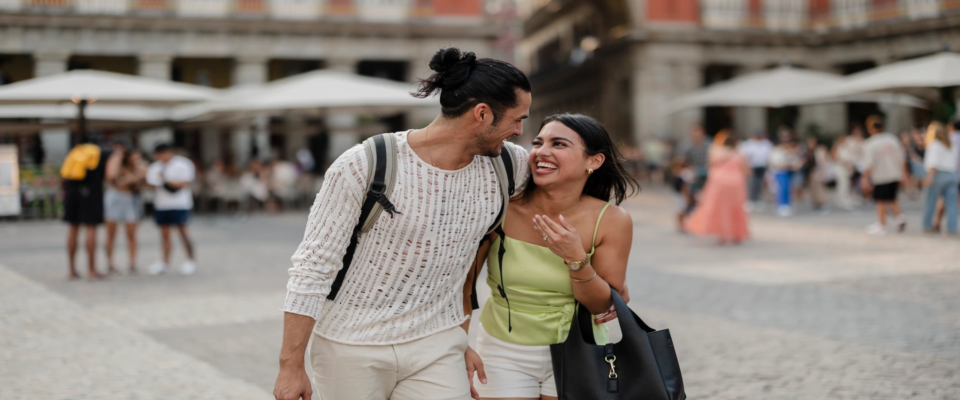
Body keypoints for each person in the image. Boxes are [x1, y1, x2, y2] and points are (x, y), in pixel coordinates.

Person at [274, 47, 532, 400]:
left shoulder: (510, 166)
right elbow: (313, 267)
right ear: (482, 114)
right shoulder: (364, 164)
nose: (519, 131)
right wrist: (290, 365)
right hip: (351, 346)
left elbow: (565, 188)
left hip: (438, 343)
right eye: (517, 119)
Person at [463, 114, 635, 400]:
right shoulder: (502, 208)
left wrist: (575, 257)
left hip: (580, 348)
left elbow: (603, 306)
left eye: (559, 144)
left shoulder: (612, 220)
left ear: (594, 161)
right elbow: (466, 283)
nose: (542, 152)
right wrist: (460, 343)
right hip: (501, 349)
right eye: (538, 142)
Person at [684, 132, 750, 244]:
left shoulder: (716, 152)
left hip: (719, 183)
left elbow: (710, 165)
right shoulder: (739, 154)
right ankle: (737, 234)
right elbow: (747, 170)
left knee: (720, 209)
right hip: (736, 183)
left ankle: (723, 235)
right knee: (735, 208)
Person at [146, 143, 198, 275]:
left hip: (180, 204)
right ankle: (165, 262)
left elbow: (183, 183)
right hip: (162, 204)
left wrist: (164, 180)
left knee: (183, 233)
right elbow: (151, 184)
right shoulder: (155, 167)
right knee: (164, 235)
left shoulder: (183, 164)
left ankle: (190, 260)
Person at [62, 140, 110, 280]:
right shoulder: (103, 153)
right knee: (91, 229)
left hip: (72, 192)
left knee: (73, 229)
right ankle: (91, 270)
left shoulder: (76, 151)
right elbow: (111, 175)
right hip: (91, 193)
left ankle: (72, 270)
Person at [103, 145, 147, 274]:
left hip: (131, 199)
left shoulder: (141, 167)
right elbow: (116, 181)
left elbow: (141, 185)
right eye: (134, 156)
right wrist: (135, 176)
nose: (137, 159)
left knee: (132, 234)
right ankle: (110, 262)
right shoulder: (118, 165)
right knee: (111, 234)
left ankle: (133, 263)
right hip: (116, 198)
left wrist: (137, 177)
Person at [860, 115, 907, 235]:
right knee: (892, 198)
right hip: (894, 173)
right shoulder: (892, 139)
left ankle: (881, 224)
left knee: (880, 200)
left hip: (881, 175)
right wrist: (904, 174)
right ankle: (899, 218)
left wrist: (865, 178)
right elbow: (902, 158)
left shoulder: (870, 143)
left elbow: (869, 163)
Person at [921, 121, 958, 234]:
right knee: (952, 204)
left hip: (938, 174)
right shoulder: (950, 144)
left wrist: (929, 178)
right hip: (952, 174)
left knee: (931, 201)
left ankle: (927, 226)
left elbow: (933, 163)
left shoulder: (934, 144)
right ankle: (952, 228)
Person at [768, 133, 802, 217]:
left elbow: (795, 160)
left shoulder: (789, 151)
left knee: (788, 189)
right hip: (779, 172)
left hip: (788, 172)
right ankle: (781, 206)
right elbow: (773, 163)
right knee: (781, 189)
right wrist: (785, 165)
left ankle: (787, 204)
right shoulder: (776, 151)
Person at [738, 130, 773, 212]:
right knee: (752, 184)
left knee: (761, 184)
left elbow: (769, 155)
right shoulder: (747, 144)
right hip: (751, 167)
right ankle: (750, 200)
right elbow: (743, 156)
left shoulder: (766, 143)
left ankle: (758, 200)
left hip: (763, 166)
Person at [834, 126, 865, 210]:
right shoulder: (841, 147)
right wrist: (848, 162)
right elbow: (838, 158)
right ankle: (842, 200)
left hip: (849, 169)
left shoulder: (849, 145)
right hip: (841, 168)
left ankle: (845, 199)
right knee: (843, 185)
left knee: (847, 185)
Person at [680, 125, 709, 205]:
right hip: (693, 169)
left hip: (707, 169)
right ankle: (688, 201)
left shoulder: (708, 145)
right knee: (685, 177)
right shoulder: (687, 146)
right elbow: (684, 161)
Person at [801, 135, 827, 211]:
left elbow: (823, 161)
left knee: (819, 188)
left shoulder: (820, 150)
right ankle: (815, 202)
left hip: (818, 171)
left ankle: (821, 202)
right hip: (810, 172)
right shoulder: (807, 151)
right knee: (813, 188)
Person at [671, 158, 694, 233]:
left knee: (682, 210)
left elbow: (685, 186)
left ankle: (682, 225)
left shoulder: (684, 173)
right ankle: (681, 225)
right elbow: (684, 186)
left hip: (679, 193)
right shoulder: (683, 173)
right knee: (681, 210)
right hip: (679, 194)